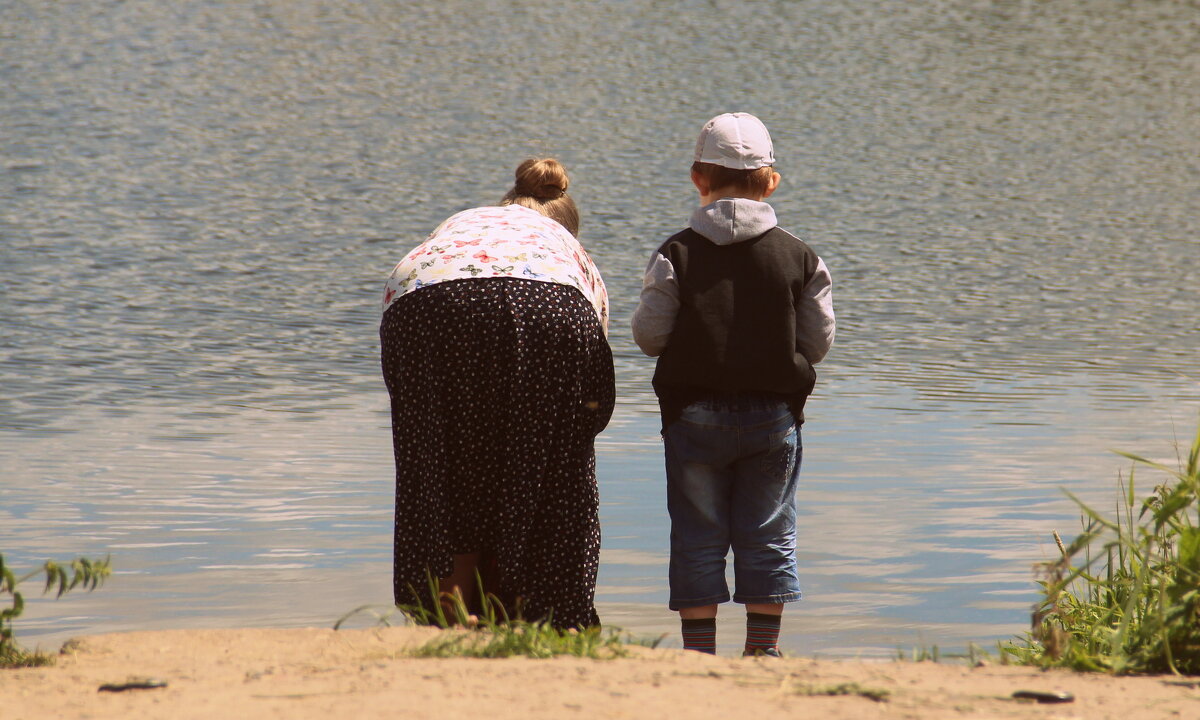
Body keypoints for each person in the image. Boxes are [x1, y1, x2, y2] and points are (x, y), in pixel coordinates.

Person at [631, 113, 835, 656]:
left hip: (693, 416)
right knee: (769, 532)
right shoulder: (801, 256)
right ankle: (763, 652)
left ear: (698, 177)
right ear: (770, 181)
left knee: (697, 534)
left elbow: (650, 338)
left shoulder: (674, 253)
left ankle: (699, 655)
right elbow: (816, 345)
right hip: (773, 418)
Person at [380, 158, 613, 630]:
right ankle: (538, 610)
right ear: (565, 220)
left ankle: (445, 612)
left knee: (443, 464)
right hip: (551, 305)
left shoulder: (462, 224)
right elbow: (594, 380)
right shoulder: (567, 249)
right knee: (555, 470)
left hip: (424, 300)